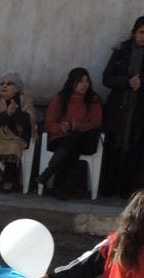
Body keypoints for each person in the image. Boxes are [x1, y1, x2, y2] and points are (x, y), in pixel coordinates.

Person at [36, 68, 103, 200]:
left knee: (75, 137)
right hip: (60, 139)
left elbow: (96, 123)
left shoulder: (93, 99)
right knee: (72, 145)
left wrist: (76, 126)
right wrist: (61, 127)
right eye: (80, 81)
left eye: (87, 81)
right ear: (72, 82)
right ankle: (66, 188)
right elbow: (49, 123)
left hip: (85, 140)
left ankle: (50, 173)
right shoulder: (60, 99)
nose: (84, 85)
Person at [101, 15, 144, 198]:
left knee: (134, 147)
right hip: (118, 108)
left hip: (140, 110)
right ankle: (108, 187)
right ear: (134, 32)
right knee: (114, 144)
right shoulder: (121, 51)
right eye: (141, 32)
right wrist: (127, 82)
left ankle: (126, 189)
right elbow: (106, 78)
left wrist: (141, 84)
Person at [0, 71, 37, 193]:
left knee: (13, 147)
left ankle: (8, 181)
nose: (4, 86)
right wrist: (6, 114)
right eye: (2, 83)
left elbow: (29, 121)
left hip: (17, 137)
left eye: (9, 84)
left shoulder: (25, 101)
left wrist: (15, 113)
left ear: (17, 89)